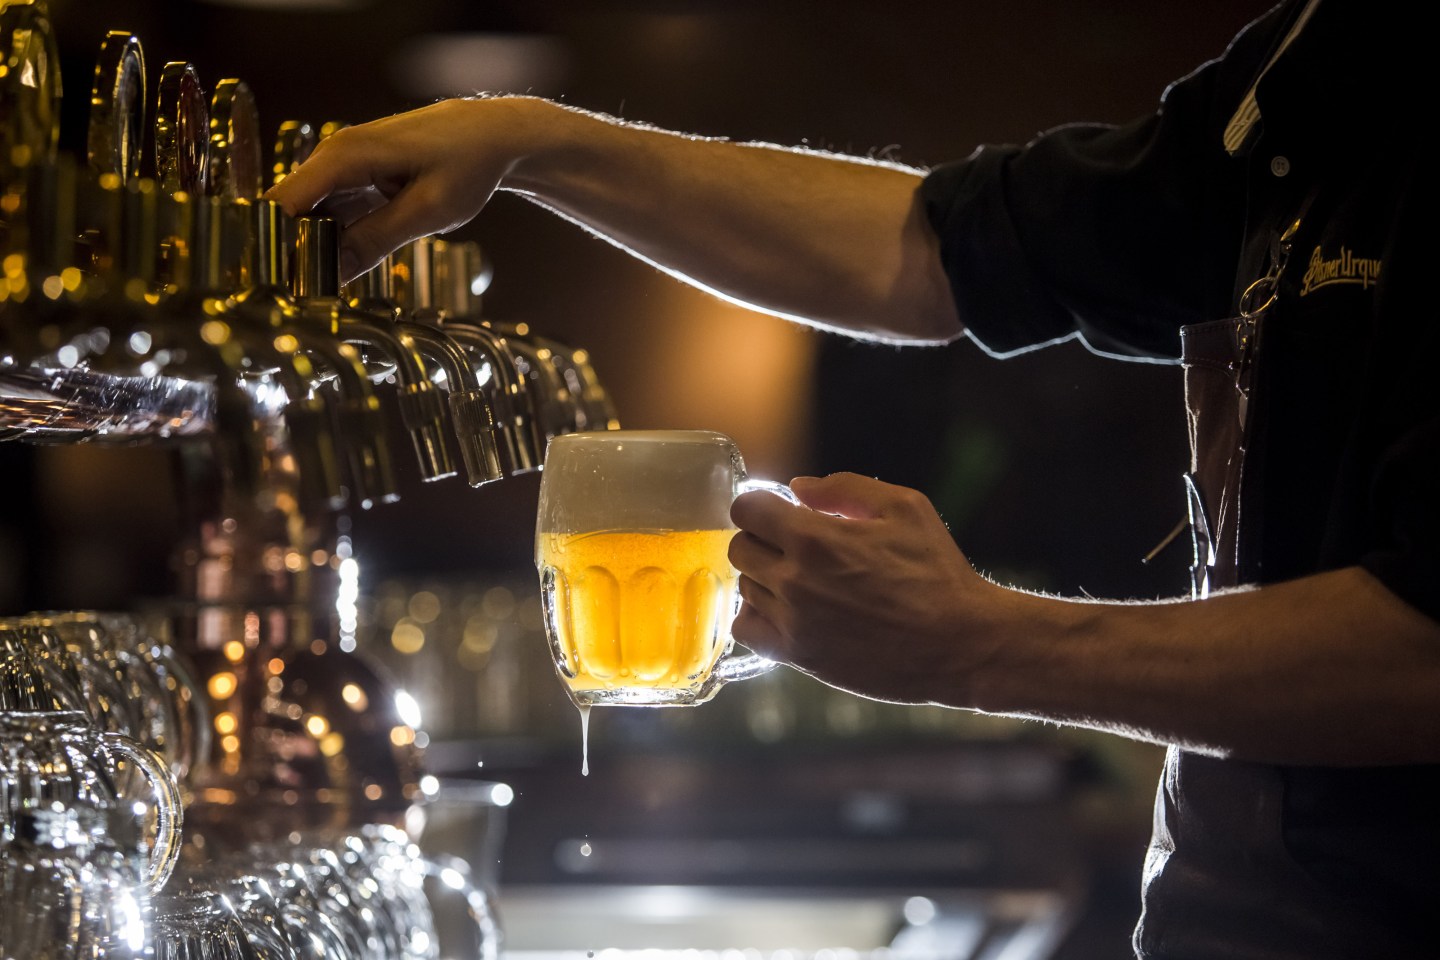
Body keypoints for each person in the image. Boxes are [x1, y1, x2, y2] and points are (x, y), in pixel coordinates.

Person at [268, 0, 1436, 954]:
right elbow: (934, 249)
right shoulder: (1307, 65)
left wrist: (976, 642)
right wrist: (533, 144)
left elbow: (1424, 651)